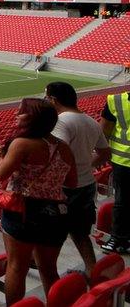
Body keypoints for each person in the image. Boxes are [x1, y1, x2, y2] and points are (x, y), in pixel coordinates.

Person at [0, 98, 77, 305]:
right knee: (49, 270)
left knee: (16, 267)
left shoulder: (22, 144)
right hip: (56, 213)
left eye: (21, 112)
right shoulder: (63, 147)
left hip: (23, 211)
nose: (16, 115)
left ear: (32, 119)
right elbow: (72, 182)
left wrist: (0, 158)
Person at [46, 82, 111, 272]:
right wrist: (84, 165)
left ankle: (48, 274)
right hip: (87, 184)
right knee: (81, 233)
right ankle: (93, 271)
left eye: (46, 97)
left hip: (66, 189)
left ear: (53, 100)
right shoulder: (90, 121)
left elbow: (58, 153)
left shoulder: (61, 122)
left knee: (52, 235)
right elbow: (105, 153)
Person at [101, 90, 130, 254]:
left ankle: (119, 239)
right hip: (122, 162)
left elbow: (104, 131)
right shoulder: (115, 101)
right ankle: (119, 238)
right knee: (123, 201)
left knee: (123, 201)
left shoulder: (116, 101)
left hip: (123, 161)